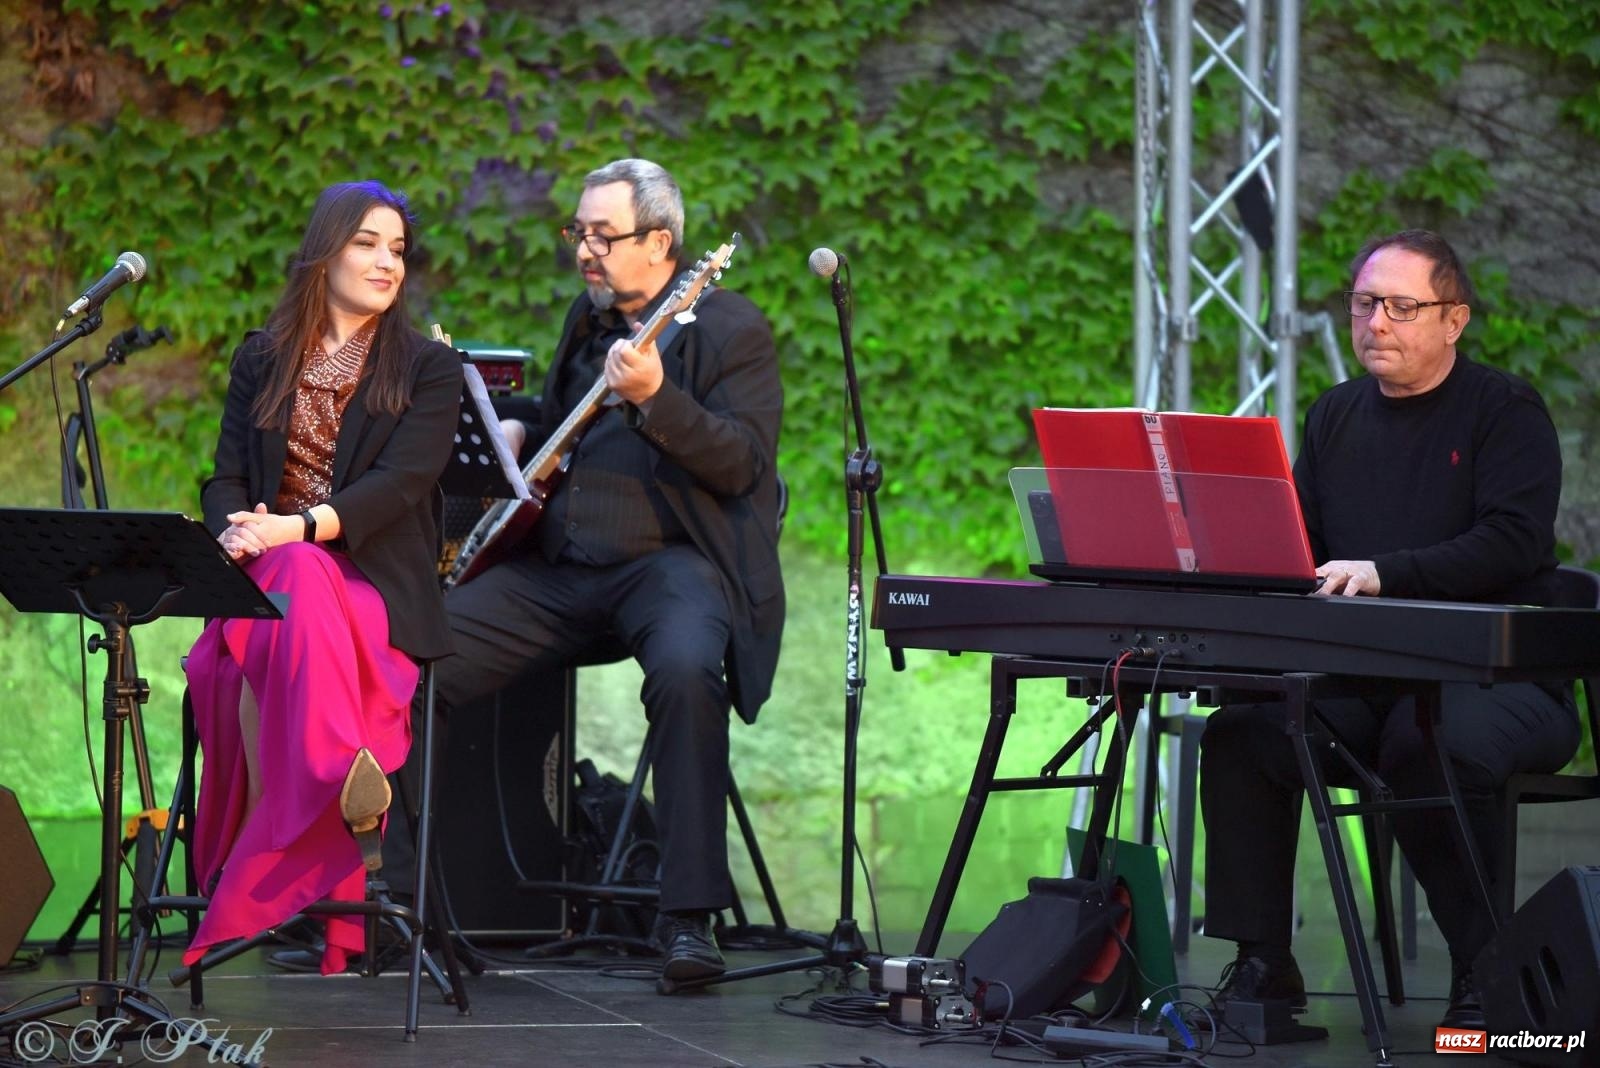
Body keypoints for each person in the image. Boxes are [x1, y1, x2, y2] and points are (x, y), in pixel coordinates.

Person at [415, 157, 784, 983]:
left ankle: (687, 921)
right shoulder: (586, 321)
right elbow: (564, 422)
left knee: (687, 672)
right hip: (559, 573)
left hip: (671, 567)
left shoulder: (732, 328)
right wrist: (513, 425)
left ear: (660, 243)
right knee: (415, 657)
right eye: (578, 232)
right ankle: (405, 900)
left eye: (602, 235)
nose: (584, 249)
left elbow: (743, 465)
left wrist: (658, 398)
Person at [1198, 229, 1579, 1029]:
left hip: (1499, 682)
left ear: (1454, 319)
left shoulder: (1504, 412)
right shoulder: (1335, 415)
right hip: (1368, 680)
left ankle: (1488, 974)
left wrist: (1385, 571)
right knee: (1243, 734)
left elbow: (1513, 542)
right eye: (1365, 303)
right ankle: (1264, 969)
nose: (1376, 322)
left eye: (1402, 306)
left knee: (1425, 744)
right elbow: (1298, 548)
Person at [182, 180, 464, 975]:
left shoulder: (429, 366)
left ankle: (299, 830)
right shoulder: (262, 356)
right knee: (285, 585)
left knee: (301, 570)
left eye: (397, 250)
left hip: (373, 590)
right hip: (271, 576)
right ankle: (342, 787)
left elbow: (399, 487)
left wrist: (293, 529)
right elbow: (224, 477)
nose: (387, 263)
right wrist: (238, 529)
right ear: (324, 252)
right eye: (367, 244)